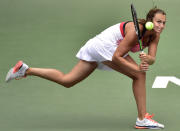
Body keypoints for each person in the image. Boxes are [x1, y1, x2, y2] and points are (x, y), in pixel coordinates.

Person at [6, 7, 166, 129]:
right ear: (150, 20)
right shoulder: (134, 31)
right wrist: (138, 68)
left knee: (68, 80)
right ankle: (142, 119)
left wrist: (147, 60)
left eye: (164, 22)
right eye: (158, 22)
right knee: (139, 75)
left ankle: (25, 70)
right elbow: (117, 56)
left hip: (99, 46)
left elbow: (152, 58)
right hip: (104, 46)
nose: (161, 25)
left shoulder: (155, 35)